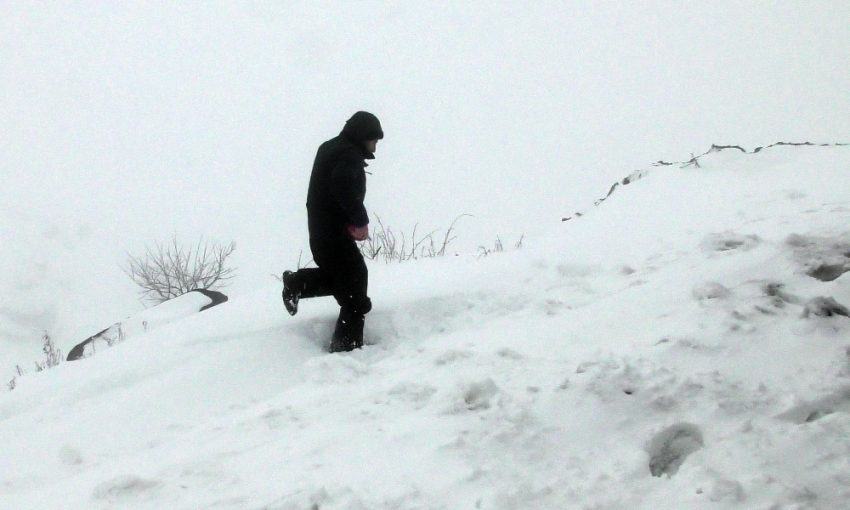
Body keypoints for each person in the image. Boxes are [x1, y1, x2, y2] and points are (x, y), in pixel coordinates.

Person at [282, 111, 383, 353]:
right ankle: (346, 349)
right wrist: (360, 221)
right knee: (355, 288)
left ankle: (297, 283)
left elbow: (328, 192)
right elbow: (341, 184)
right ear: (362, 136)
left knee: (344, 281)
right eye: (374, 140)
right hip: (332, 236)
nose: (375, 147)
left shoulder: (330, 148)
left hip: (322, 234)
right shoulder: (348, 154)